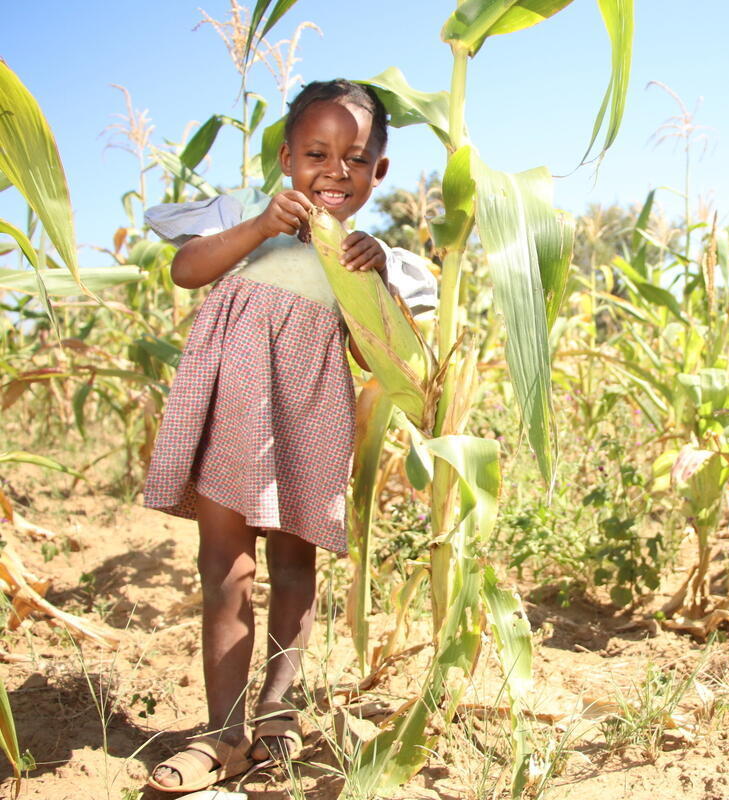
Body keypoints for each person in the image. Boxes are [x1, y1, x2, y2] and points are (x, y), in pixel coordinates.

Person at [143, 79, 435, 793]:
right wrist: (261, 227)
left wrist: (377, 286)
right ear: (285, 158)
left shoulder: (375, 258)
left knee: (296, 566)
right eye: (316, 153)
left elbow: (384, 359)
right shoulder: (246, 217)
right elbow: (186, 271)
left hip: (305, 414)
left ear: (378, 173)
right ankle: (221, 735)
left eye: (355, 159)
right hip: (229, 410)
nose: (335, 172)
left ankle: (278, 712)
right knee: (227, 570)